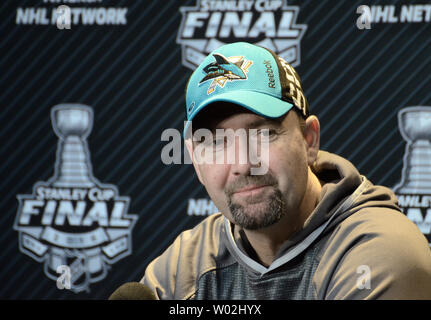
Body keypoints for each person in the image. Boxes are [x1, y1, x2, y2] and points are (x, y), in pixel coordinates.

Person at [140, 42, 431, 299]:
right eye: (217, 143)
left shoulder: (378, 253)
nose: (243, 164)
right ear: (195, 162)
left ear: (309, 140)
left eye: (263, 135)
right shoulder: (187, 267)